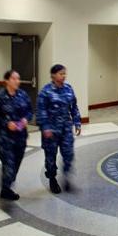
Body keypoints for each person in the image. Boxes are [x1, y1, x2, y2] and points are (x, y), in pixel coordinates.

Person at [0, 70, 33, 201]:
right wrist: (6, 123)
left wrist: (26, 119)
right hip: (5, 139)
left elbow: (30, 111)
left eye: (18, 79)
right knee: (9, 165)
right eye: (14, 79)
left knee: (15, 165)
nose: (17, 81)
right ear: (6, 80)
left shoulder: (23, 95)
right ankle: (5, 190)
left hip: (20, 138)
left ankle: (7, 182)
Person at [36, 64, 81, 194]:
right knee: (50, 157)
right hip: (50, 131)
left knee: (68, 155)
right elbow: (40, 112)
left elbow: (74, 107)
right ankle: (52, 179)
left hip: (66, 129)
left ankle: (66, 178)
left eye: (64, 73)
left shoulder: (68, 88)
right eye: (61, 73)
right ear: (53, 75)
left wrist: (77, 122)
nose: (63, 76)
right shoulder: (46, 91)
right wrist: (45, 127)